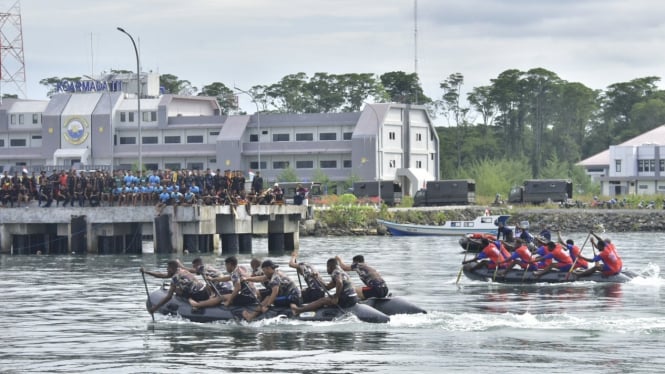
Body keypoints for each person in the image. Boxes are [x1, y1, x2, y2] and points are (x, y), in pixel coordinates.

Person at [290, 258, 359, 316]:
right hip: (353, 298)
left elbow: (339, 282)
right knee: (326, 300)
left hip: (347, 298)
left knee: (322, 300)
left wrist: (336, 297)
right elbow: (327, 287)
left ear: (330, 267)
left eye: (327, 267)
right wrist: (317, 278)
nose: (327, 269)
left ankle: (298, 310)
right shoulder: (341, 272)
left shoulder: (335, 272)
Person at [141, 260, 209, 314]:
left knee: (177, 291)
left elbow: (169, 297)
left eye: (167, 268)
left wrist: (154, 308)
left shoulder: (175, 278)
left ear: (171, 269)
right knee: (178, 289)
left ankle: (193, 304)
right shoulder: (183, 271)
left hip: (198, 296)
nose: (166, 269)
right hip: (205, 292)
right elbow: (163, 275)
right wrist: (146, 272)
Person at [189, 256, 256, 309]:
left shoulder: (235, 273)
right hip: (253, 296)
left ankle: (197, 304)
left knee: (221, 297)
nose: (226, 268)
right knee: (227, 294)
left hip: (247, 297)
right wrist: (213, 279)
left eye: (226, 265)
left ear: (230, 265)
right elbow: (228, 278)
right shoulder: (241, 268)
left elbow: (237, 288)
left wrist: (229, 301)